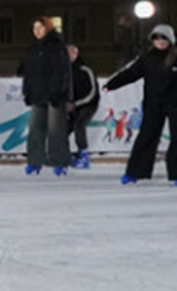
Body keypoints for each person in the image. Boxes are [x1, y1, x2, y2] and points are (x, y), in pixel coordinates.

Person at [102, 23, 177, 185]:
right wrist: (111, 84)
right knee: (146, 137)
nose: (160, 41)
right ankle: (136, 172)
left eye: (164, 38)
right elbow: (131, 73)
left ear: (170, 40)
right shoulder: (147, 58)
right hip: (153, 103)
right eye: (157, 38)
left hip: (174, 103)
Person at [21, 16, 72, 176]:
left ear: (47, 29)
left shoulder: (57, 46)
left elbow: (62, 71)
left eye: (40, 28)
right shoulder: (33, 48)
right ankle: (35, 161)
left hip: (54, 95)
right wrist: (27, 91)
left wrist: (58, 91)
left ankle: (59, 162)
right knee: (35, 129)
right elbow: (28, 73)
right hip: (38, 94)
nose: (37, 31)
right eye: (34, 28)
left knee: (56, 130)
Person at [67, 43, 99, 169]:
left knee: (79, 124)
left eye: (70, 53)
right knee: (63, 128)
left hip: (88, 105)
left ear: (76, 53)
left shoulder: (85, 69)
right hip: (72, 106)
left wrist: (76, 104)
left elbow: (92, 92)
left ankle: (84, 155)